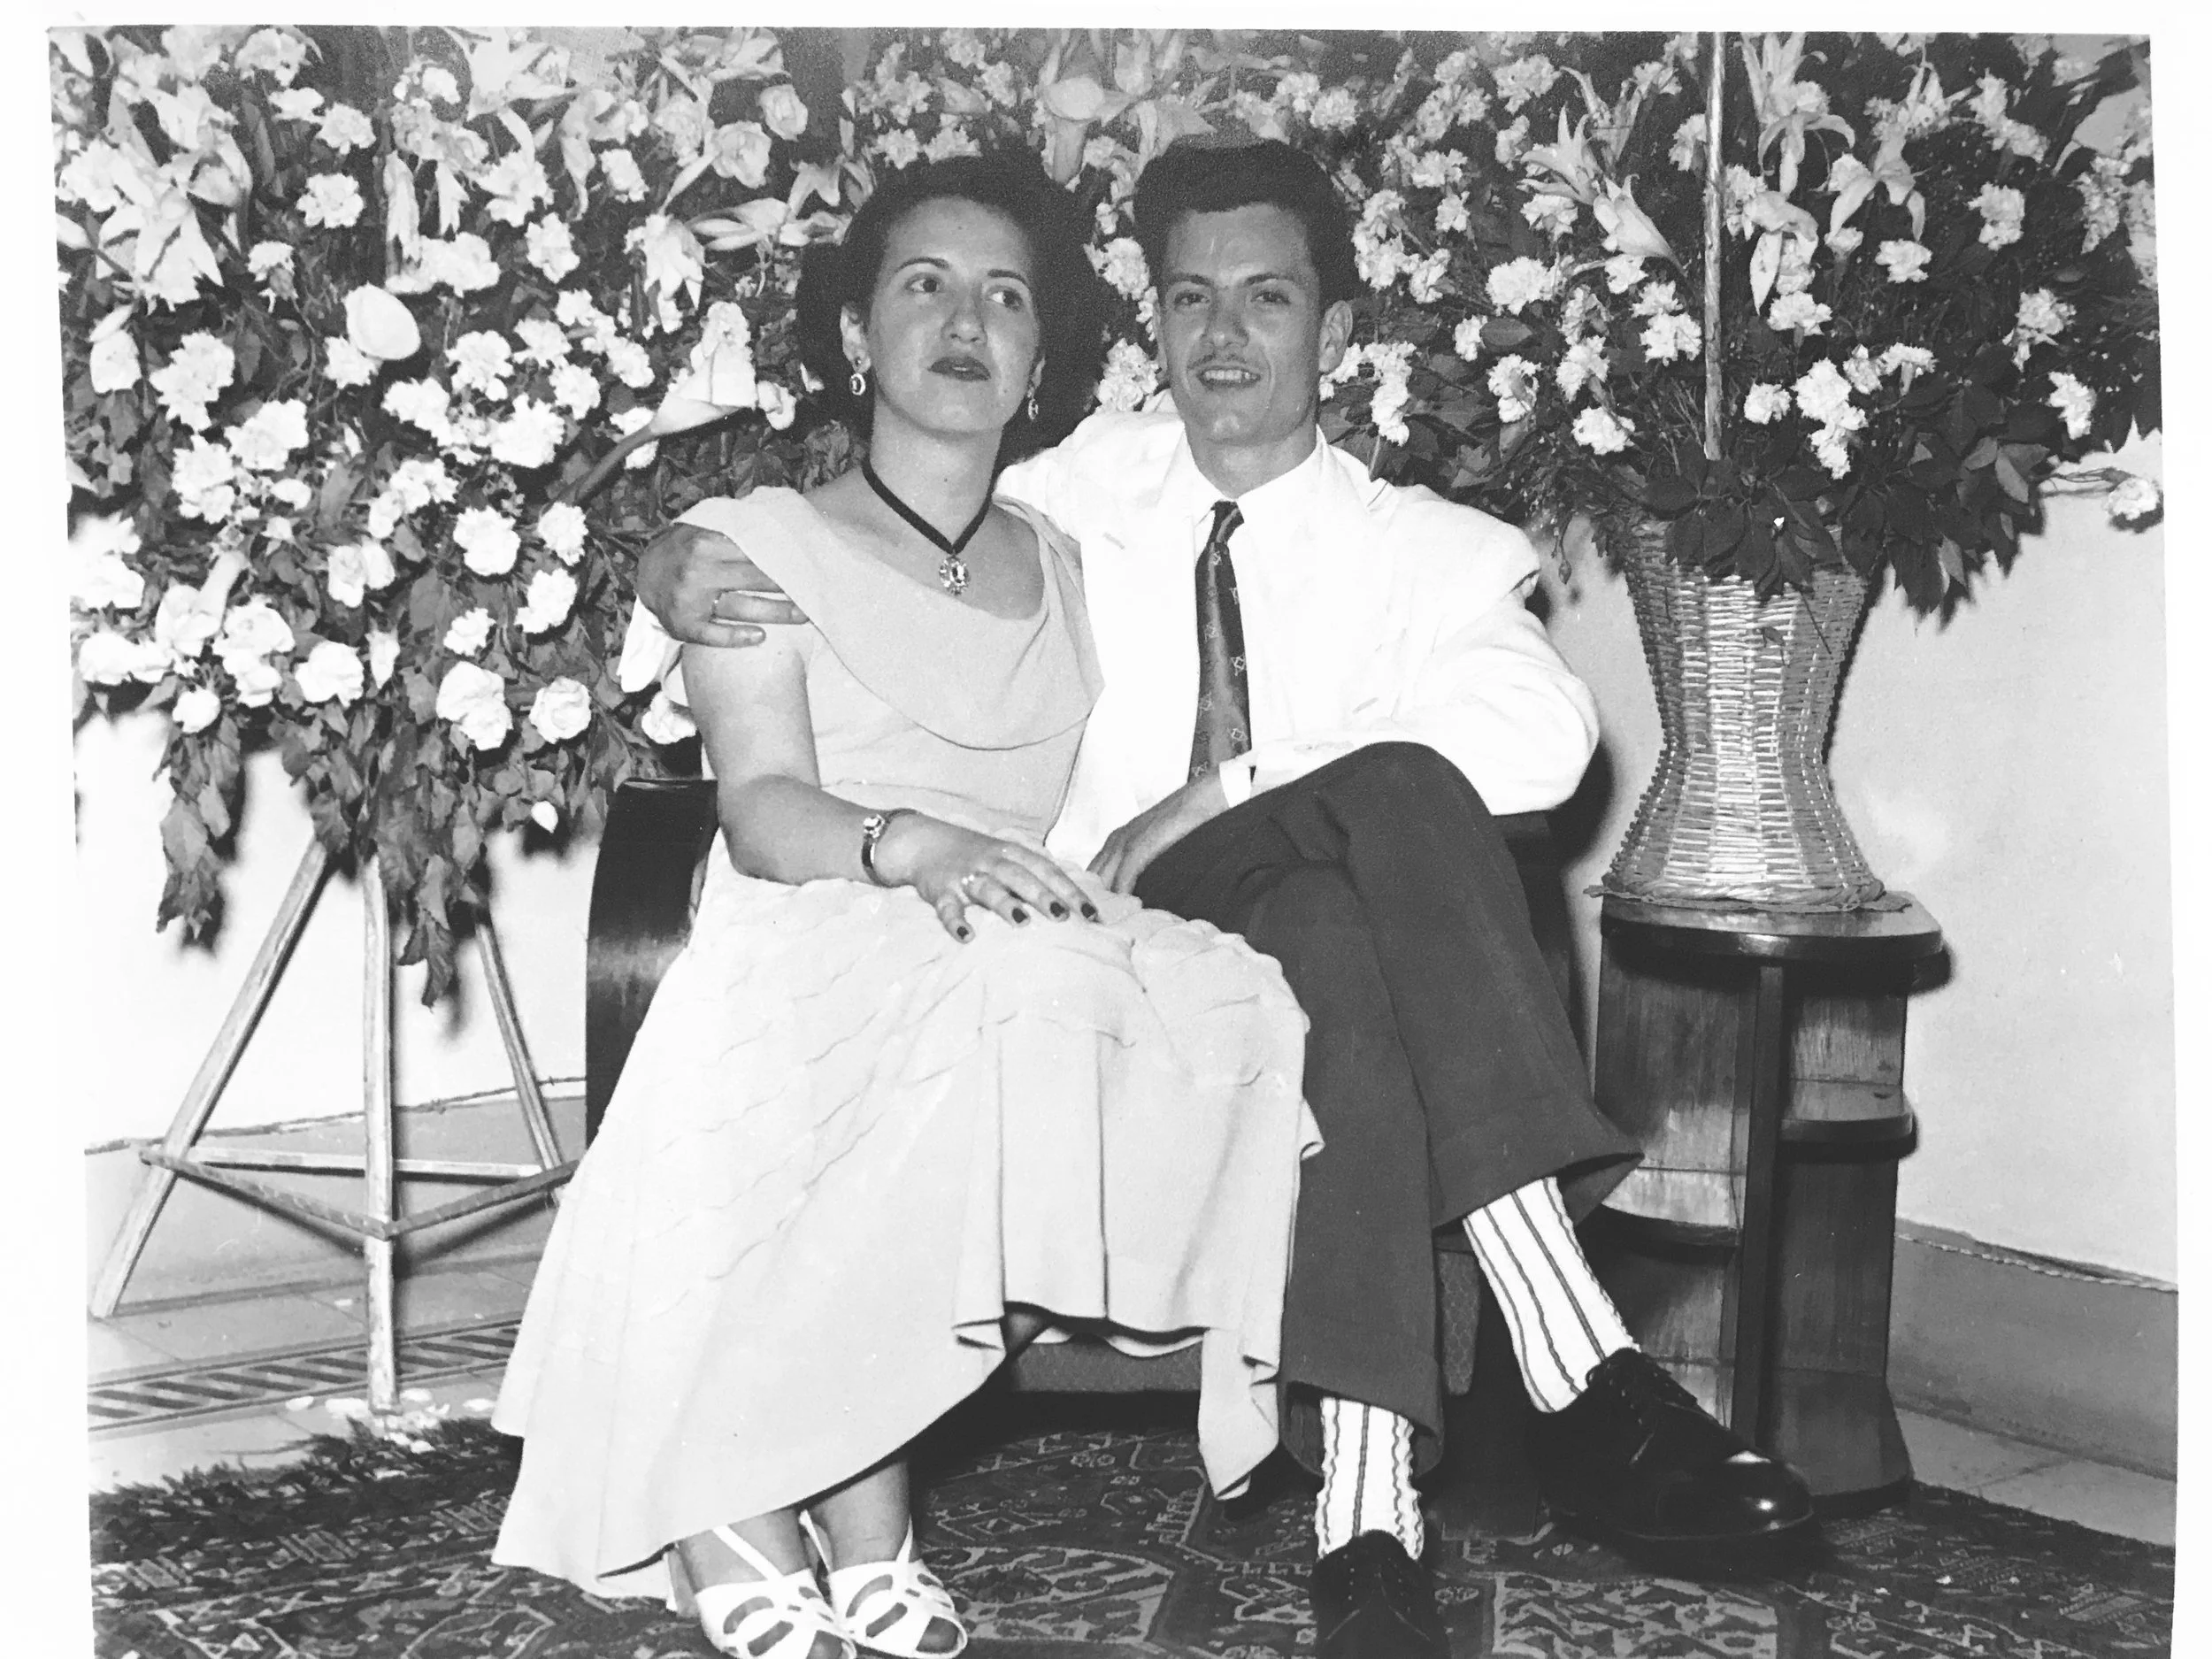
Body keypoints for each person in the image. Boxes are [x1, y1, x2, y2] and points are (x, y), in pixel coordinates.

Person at [636, 138, 1816, 1659]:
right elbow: (854, 535)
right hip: (1110, 954)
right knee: (1385, 809)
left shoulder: (1424, 550)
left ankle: (1369, 1521)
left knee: (1338, 901)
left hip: (1290, 981)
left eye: (1268, 297)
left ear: (1335, 330)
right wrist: (667, 564)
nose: (1224, 335)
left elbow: (1547, 738)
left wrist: (1240, 780)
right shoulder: (1065, 495)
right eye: (1190, 297)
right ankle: (1574, 1343)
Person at [493, 152, 1321, 1659]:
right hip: (825, 901)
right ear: (853, 334)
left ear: (1040, 361)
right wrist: (915, 846)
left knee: (1228, 1001)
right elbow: (761, 808)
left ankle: (828, 1471)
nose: (964, 321)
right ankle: (763, 1499)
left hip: (1001, 918)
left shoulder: (1064, 552)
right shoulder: (754, 542)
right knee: (1013, 991)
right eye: (923, 285)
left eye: (1006, 298)